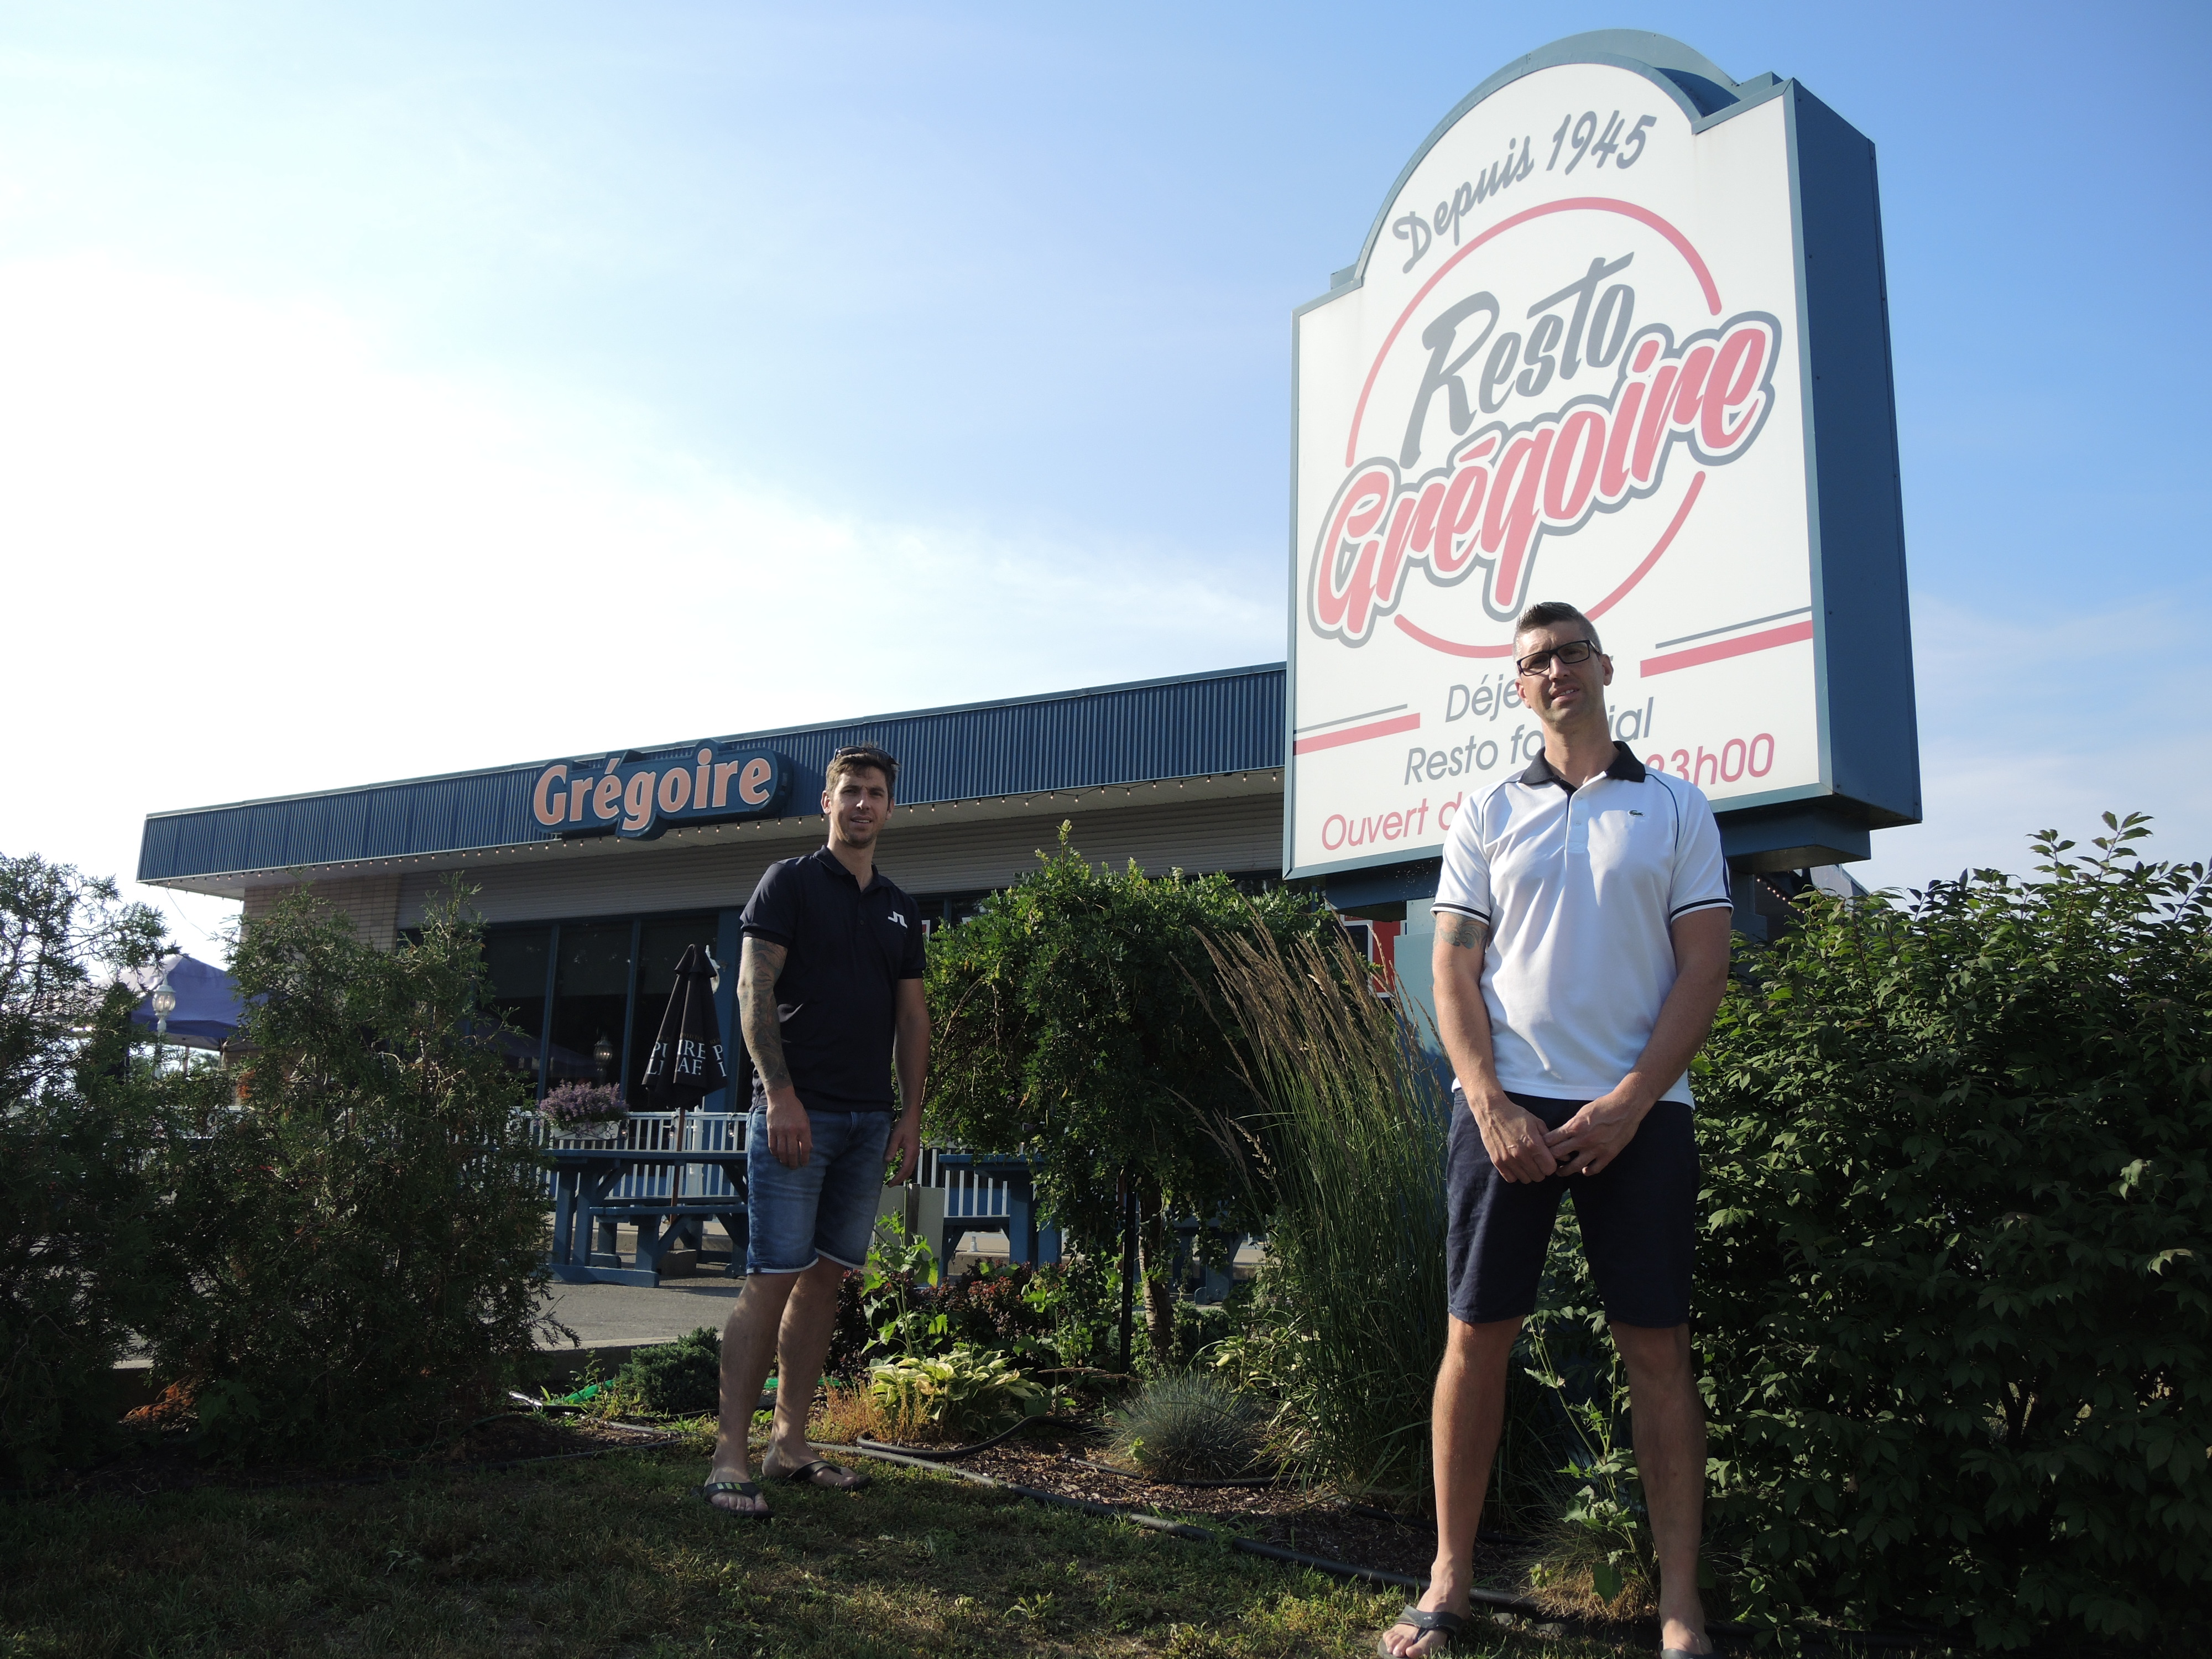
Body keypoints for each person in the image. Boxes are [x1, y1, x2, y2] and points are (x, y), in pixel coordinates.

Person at [1379, 602, 1734, 1658]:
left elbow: (1705, 966)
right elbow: (1451, 969)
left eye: (1570, 652)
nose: (1554, 671)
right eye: (1534, 661)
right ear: (1520, 687)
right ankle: (1449, 1580)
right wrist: (1485, 1098)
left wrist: (1629, 1101)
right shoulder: (1488, 809)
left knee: (1656, 1349)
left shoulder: (1675, 806)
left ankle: (1680, 1606)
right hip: (1509, 1108)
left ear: (1605, 665)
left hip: (1642, 1109)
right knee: (1475, 1340)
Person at [698, 743, 930, 1520]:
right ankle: (731, 1454)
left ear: (890, 808)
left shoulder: (899, 905)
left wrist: (910, 1114)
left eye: (874, 794)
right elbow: (751, 988)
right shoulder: (789, 883)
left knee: (827, 1279)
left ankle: (790, 1443)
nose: (861, 804)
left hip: (869, 1121)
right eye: (849, 792)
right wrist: (781, 1096)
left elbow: (911, 1016)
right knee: (771, 1274)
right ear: (825, 804)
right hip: (801, 1113)